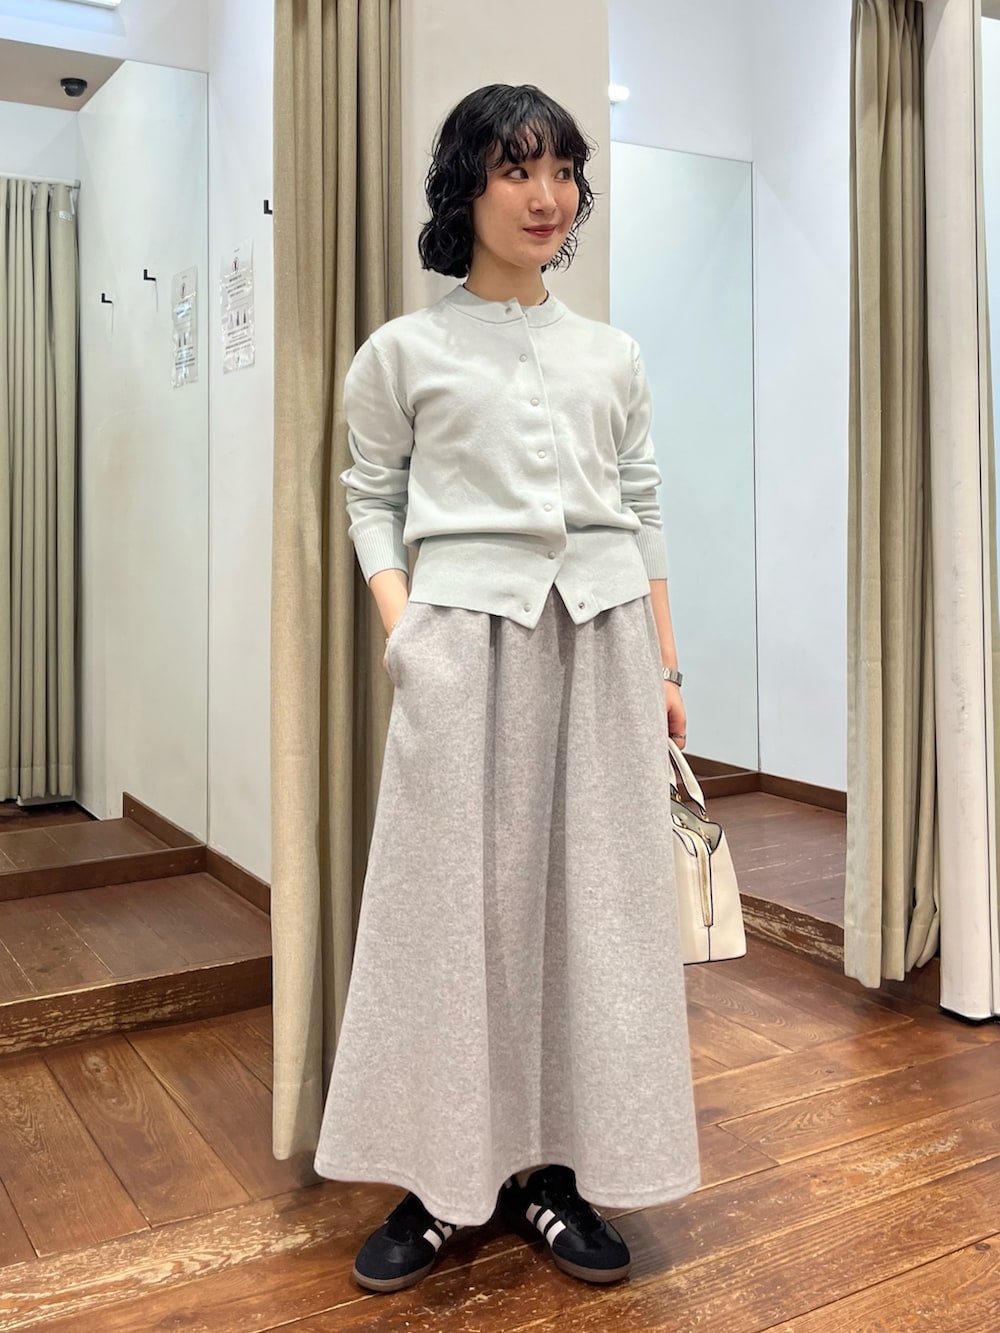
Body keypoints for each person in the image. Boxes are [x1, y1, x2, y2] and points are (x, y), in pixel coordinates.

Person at [313, 83, 700, 1295]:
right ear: (465, 188)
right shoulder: (402, 351)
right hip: (464, 648)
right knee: (449, 919)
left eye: (563, 171)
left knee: (596, 915)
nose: (546, 196)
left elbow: (640, 504)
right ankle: (441, 1183)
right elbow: (369, 495)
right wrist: (408, 635)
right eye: (516, 170)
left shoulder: (611, 354)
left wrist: (665, 666)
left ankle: (555, 1172)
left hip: (604, 644)